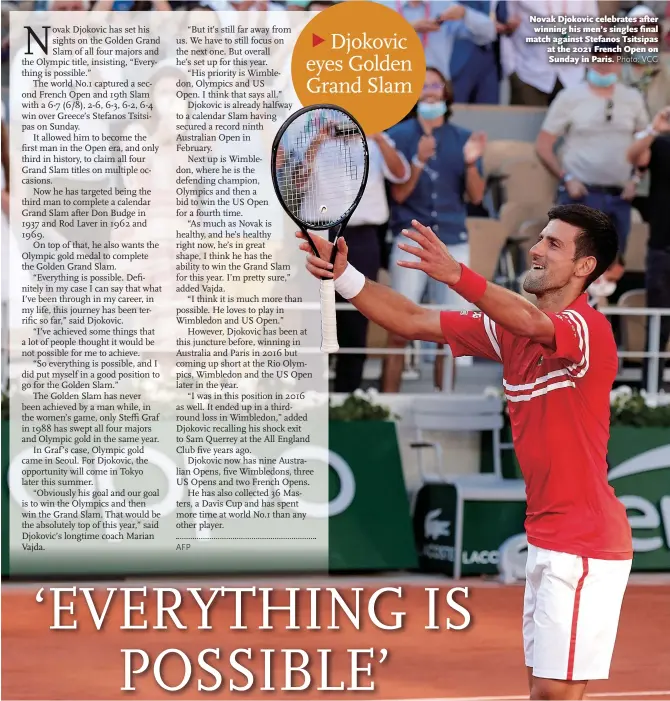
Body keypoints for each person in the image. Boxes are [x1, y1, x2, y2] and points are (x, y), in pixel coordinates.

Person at [296, 203, 632, 701]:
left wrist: (456, 274)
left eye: (554, 244)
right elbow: (410, 319)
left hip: (584, 542)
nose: (536, 249)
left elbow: (532, 322)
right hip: (546, 535)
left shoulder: (587, 330)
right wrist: (344, 275)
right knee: (546, 693)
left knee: (555, 693)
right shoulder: (506, 331)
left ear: (585, 268)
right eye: (540, 238)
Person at [383, 66, 487, 392]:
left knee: (453, 328)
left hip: (453, 239)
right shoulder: (397, 136)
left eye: (435, 85)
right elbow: (397, 194)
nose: (429, 91)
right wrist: (419, 160)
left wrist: (471, 164)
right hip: (410, 237)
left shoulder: (464, 138)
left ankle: (448, 399)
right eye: (423, 85)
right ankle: (387, 401)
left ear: (446, 91)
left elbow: (477, 196)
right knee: (397, 324)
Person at [535, 41, 650, 252]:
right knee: (572, 259)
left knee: (612, 263)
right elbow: (543, 145)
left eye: (611, 58)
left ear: (619, 63)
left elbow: (644, 145)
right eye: (599, 57)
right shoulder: (569, 97)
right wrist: (566, 178)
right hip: (581, 195)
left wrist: (635, 180)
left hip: (619, 197)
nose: (604, 63)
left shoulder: (633, 99)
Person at [627, 106, 670, 392]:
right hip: (662, 247)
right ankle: (650, 391)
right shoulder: (661, 144)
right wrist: (654, 129)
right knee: (659, 326)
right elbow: (633, 157)